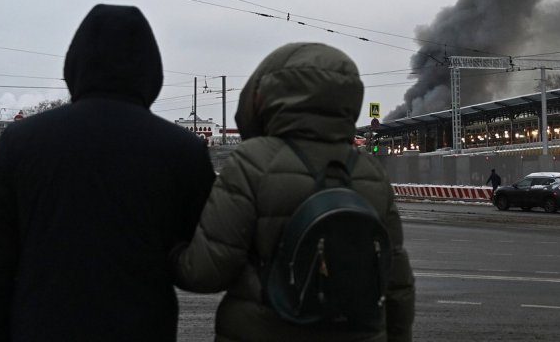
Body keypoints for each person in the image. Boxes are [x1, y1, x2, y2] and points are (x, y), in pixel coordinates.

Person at [0, 4, 216, 342]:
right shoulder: (183, 151)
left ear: (74, 64)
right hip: (142, 328)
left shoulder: (20, 143)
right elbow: (201, 259)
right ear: (151, 71)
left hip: (39, 328)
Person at [174, 42, 415, 342]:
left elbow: (207, 271)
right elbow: (397, 285)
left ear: (267, 96)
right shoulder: (371, 172)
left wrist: (165, 251)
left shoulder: (252, 161)